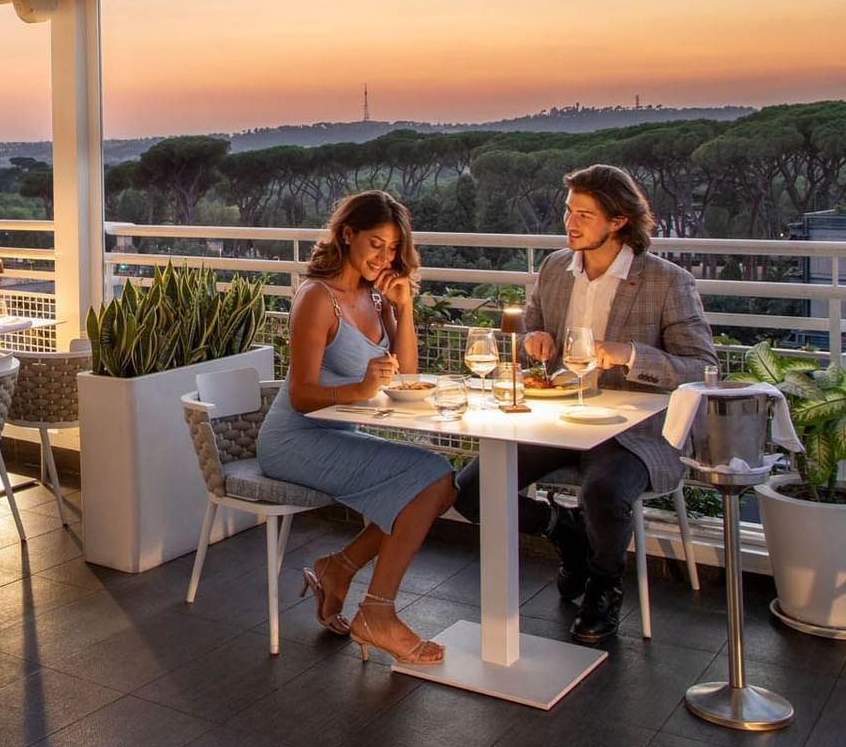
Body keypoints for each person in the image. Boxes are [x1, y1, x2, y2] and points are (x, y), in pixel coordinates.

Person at [454, 163, 715, 644]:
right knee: (470, 490)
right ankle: (563, 531)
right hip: (557, 418)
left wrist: (632, 355)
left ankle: (602, 585)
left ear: (618, 221)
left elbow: (700, 367)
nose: (570, 224)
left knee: (604, 492)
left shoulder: (666, 281)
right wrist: (535, 339)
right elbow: (532, 325)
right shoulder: (555, 268)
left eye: (584, 215)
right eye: (569, 212)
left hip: (630, 429)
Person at [256, 191, 457, 664]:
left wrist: (403, 307)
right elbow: (303, 395)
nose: (383, 258)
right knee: (434, 479)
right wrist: (359, 390)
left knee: (442, 487)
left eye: (392, 249)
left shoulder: (375, 294)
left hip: (337, 435)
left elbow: (406, 375)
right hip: (293, 440)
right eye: (374, 244)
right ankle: (378, 614)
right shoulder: (316, 298)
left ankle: (338, 568)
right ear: (347, 235)